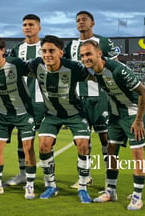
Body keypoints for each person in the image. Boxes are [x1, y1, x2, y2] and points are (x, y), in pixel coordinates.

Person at [79, 40, 145, 210]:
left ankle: (137, 197)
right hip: (116, 115)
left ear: (99, 54)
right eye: (82, 55)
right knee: (111, 152)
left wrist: (138, 120)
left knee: (138, 155)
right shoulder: (92, 71)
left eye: (88, 54)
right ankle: (110, 191)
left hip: (133, 114)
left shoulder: (118, 69)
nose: (85, 58)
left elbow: (144, 92)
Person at [27, 35, 92, 203]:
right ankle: (51, 186)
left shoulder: (74, 68)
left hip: (75, 113)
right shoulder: (36, 65)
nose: (47, 54)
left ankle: (83, 188)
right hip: (52, 114)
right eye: (44, 51)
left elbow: (96, 75)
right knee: (43, 145)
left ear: (61, 53)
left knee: (83, 146)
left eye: (51, 51)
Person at [64, 10, 118, 189]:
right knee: (81, 140)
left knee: (105, 138)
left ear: (92, 23)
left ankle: (108, 177)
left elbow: (114, 66)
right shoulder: (71, 46)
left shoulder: (104, 42)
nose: (80, 23)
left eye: (84, 20)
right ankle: (85, 177)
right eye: (78, 20)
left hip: (101, 97)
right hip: (79, 98)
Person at [0, 36, 37, 200]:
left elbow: (35, 71)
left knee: (28, 147)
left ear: (2, 50)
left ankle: (30, 185)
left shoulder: (15, 63)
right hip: (3, 114)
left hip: (24, 113)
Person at [7, 14, 45, 186]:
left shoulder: (46, 47)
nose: (27, 27)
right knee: (22, 138)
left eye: (31, 24)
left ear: (39, 27)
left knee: (46, 141)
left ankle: (48, 177)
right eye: (25, 24)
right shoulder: (17, 49)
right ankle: (23, 173)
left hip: (43, 100)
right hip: (22, 101)